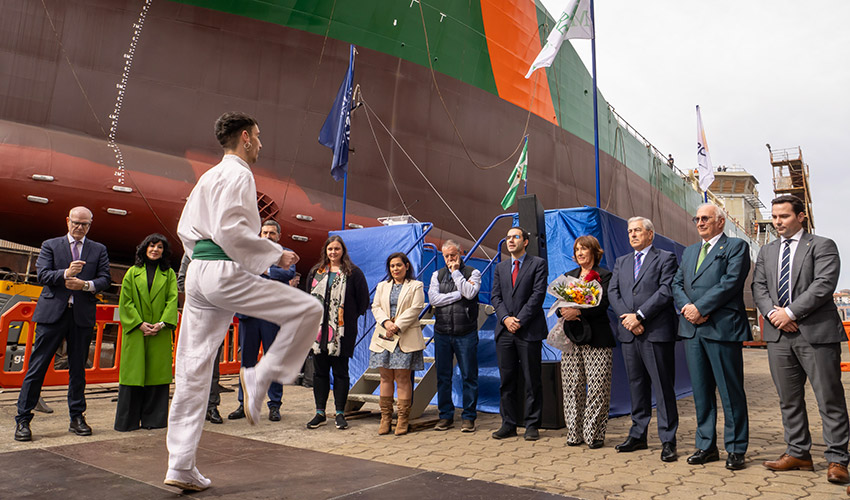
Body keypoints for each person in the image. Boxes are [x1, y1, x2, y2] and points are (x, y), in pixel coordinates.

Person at [164, 112, 322, 492]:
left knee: (193, 368)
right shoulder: (239, 175)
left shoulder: (207, 177)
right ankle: (259, 376)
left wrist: (203, 260)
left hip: (199, 272)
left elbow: (186, 231)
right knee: (309, 310)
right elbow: (231, 231)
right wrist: (275, 253)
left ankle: (180, 464)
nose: (262, 146)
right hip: (222, 270)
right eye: (259, 138)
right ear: (246, 138)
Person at [752, 195, 850, 484]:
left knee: (829, 398)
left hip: (816, 334)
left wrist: (791, 312)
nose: (778, 222)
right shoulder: (766, 251)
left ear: (801, 216)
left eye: (784, 216)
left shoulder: (822, 246)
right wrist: (773, 314)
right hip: (778, 335)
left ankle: (837, 459)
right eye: (775, 216)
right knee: (788, 399)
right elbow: (758, 286)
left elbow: (823, 285)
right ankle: (798, 453)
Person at [14, 206, 111, 442]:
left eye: (85, 224)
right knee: (37, 367)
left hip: (81, 315)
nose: (80, 228)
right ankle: (23, 419)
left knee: (78, 369)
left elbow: (105, 279)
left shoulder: (98, 249)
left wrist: (85, 285)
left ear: (91, 224)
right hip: (52, 314)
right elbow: (43, 275)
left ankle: (77, 417)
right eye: (76, 223)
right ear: (67, 221)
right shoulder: (50, 245)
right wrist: (66, 274)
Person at [672, 203, 750, 470]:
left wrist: (700, 308)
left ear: (721, 221)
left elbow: (730, 282)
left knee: (730, 392)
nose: (700, 222)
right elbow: (677, 283)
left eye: (706, 218)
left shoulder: (736, 247)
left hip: (721, 328)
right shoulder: (690, 251)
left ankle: (736, 448)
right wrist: (687, 309)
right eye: (697, 218)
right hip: (693, 330)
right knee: (701, 392)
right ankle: (706, 445)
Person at [608, 217, 679, 461]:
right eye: (629, 231)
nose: (632, 235)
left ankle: (668, 440)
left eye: (637, 230)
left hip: (655, 332)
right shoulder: (621, 261)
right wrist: (627, 319)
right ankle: (638, 435)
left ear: (650, 233)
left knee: (662, 387)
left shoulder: (666, 258)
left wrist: (639, 316)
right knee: (636, 386)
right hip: (629, 334)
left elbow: (666, 290)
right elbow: (613, 292)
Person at [227, 220, 296, 423]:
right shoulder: (249, 252)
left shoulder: (286, 254)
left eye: (272, 233)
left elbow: (288, 273)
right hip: (250, 316)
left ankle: (274, 405)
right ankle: (244, 403)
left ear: (278, 236)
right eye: (264, 232)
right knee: (247, 363)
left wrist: (263, 270)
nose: (267, 235)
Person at [114, 233, 179, 431]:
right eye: (151, 246)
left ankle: (154, 420)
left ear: (163, 251)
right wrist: (139, 323)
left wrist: (161, 324)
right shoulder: (132, 273)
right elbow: (125, 301)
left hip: (159, 331)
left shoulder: (169, 275)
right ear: (144, 248)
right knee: (133, 375)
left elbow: (172, 300)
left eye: (159, 247)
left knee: (157, 375)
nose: (155, 250)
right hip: (136, 331)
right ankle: (128, 421)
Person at [304, 235, 369, 430]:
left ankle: (340, 413)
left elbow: (363, 302)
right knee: (320, 373)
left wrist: (343, 319)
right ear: (325, 251)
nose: (333, 253)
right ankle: (320, 413)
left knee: (341, 372)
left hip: (342, 333)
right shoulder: (315, 272)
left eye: (337, 249)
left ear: (343, 251)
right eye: (330, 249)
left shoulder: (353, 273)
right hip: (318, 332)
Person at [490, 227, 548, 441]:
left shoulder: (538, 264)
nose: (510, 240)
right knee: (507, 380)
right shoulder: (501, 267)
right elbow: (495, 297)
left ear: (525, 241)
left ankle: (532, 424)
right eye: (507, 237)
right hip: (505, 331)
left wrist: (520, 320)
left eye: (515, 237)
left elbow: (537, 295)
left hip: (529, 330)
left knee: (532, 379)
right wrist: (506, 319)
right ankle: (508, 423)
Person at [558, 235, 615, 449]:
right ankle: (574, 433)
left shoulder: (604, 275)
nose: (580, 253)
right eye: (577, 249)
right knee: (572, 387)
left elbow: (603, 303)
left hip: (597, 338)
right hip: (572, 338)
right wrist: (564, 311)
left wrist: (578, 311)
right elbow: (559, 302)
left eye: (584, 249)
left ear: (594, 252)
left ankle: (594, 434)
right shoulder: (569, 276)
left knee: (598, 387)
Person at [428, 240, 482, 433]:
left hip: (465, 332)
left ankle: (468, 417)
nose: (450, 259)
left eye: (453, 255)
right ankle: (445, 416)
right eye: (447, 256)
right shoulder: (437, 275)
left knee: (469, 376)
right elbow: (433, 299)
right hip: (442, 333)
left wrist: (456, 273)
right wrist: (458, 294)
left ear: (461, 253)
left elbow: (470, 292)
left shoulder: (473, 273)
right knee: (443, 377)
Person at [369, 252, 425, 436]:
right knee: (385, 377)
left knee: (402, 378)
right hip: (384, 336)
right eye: (392, 266)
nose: (395, 269)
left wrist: (397, 325)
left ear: (406, 266)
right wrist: (386, 322)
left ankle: (402, 419)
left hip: (404, 336)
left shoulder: (416, 286)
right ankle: (385, 418)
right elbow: (375, 306)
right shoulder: (382, 286)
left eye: (399, 265)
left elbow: (416, 308)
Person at [177, 254, 227, 425]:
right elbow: (181, 281)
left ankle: (212, 406)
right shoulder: (192, 253)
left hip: (216, 317)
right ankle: (190, 407)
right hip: (195, 316)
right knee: (191, 363)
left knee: (212, 363)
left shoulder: (222, 252)